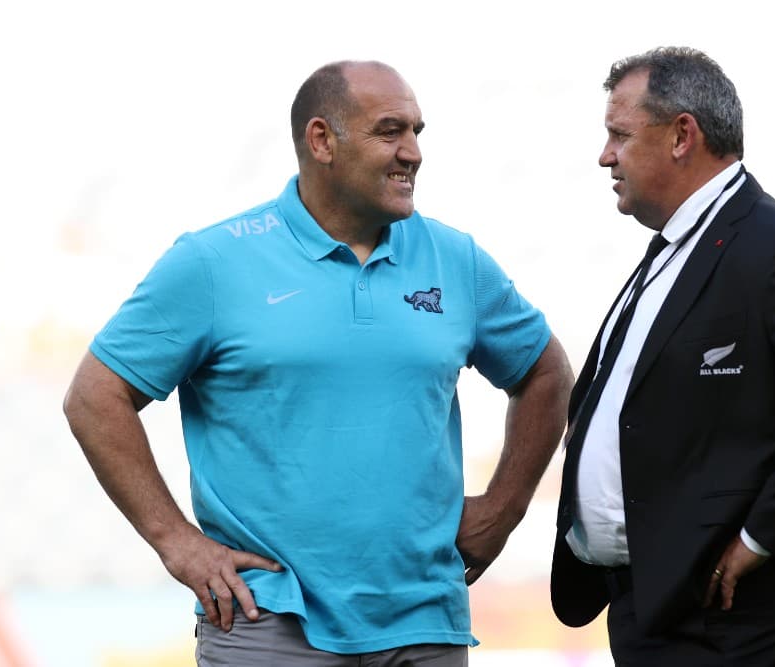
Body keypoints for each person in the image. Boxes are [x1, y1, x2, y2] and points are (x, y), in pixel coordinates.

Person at [63, 60, 573, 666]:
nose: (413, 152)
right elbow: (95, 395)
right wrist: (174, 540)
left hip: (425, 622)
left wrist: (504, 509)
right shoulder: (215, 261)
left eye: (416, 131)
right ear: (322, 140)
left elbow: (546, 373)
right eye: (390, 131)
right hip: (267, 621)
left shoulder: (454, 259)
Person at [550, 47, 775, 666]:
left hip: (730, 617)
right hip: (654, 604)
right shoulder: (677, 246)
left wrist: (762, 537)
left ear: (682, 135)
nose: (605, 156)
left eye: (620, 135)